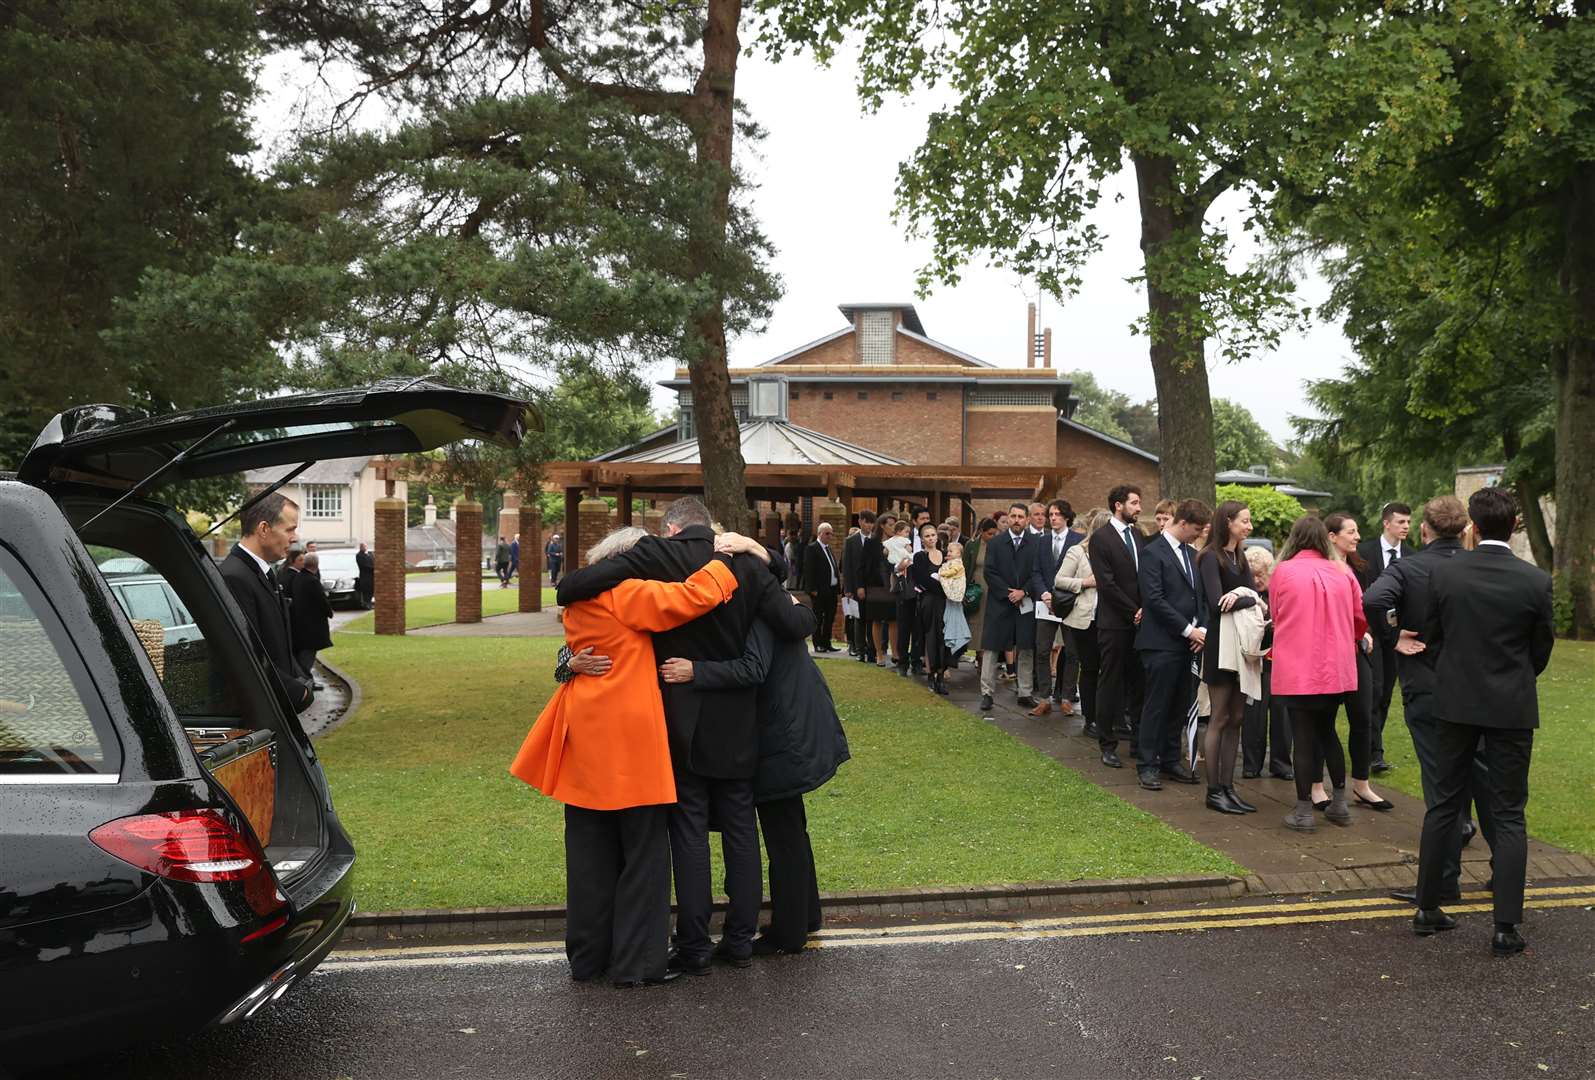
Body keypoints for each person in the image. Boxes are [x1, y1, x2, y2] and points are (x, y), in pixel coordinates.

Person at [554, 498, 816, 973]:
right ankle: (738, 939)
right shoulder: (743, 566)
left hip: (675, 716)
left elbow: (575, 590)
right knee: (740, 830)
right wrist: (762, 555)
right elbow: (795, 621)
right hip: (737, 719)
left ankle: (694, 944)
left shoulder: (655, 563)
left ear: (671, 528)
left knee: (689, 832)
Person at [512, 526, 743, 988]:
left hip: (584, 732)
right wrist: (728, 561)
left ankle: (588, 957)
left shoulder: (580, 599)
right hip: (628, 739)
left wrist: (568, 663)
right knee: (643, 853)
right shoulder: (627, 592)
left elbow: (575, 650)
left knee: (589, 855)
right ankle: (636, 963)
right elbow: (692, 598)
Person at [658, 579, 851, 956]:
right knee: (792, 826)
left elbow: (754, 668)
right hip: (795, 723)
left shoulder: (759, 610)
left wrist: (695, 670)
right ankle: (805, 916)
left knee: (783, 832)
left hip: (783, 733)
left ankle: (789, 933)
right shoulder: (780, 602)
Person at [1412, 487, 1554, 954]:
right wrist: (1511, 679)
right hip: (1510, 706)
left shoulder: (1447, 575)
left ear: (1472, 525)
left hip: (1454, 703)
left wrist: (1455, 675)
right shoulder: (1535, 580)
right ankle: (1505, 926)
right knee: (1509, 812)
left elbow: (1431, 636)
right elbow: (1541, 650)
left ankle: (1427, 907)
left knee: (1444, 805)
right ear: (1514, 525)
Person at [1363, 496, 1486, 906]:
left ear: (1425, 530)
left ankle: (1439, 886)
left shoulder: (1409, 567)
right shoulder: (1479, 566)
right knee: (1482, 781)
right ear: (1464, 529)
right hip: (1477, 689)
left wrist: (1392, 636)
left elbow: (1373, 600)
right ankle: (1493, 871)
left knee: (1440, 787)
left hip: (1429, 687)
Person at [1270, 514, 1367, 831]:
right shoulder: (1343, 571)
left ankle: (1302, 812)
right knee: (1328, 733)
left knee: (1303, 737)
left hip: (1299, 667)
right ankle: (1339, 804)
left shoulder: (1283, 571)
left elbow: (1276, 612)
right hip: (1335, 667)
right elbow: (1359, 618)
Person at [1133, 498, 1210, 791]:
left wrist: (1201, 627)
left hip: (1187, 645)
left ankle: (1169, 758)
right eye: (1197, 529)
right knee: (1157, 705)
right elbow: (1154, 599)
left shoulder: (1193, 555)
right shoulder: (1152, 553)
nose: (1199, 535)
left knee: (1179, 704)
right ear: (1183, 523)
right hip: (1160, 643)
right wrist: (1189, 630)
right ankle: (1147, 764)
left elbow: (1200, 596)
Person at [1196, 501, 1262, 815]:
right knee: (1219, 717)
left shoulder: (1240, 555)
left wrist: (1240, 595)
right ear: (1228, 521)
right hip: (1221, 644)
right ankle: (1213, 791)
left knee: (1237, 717)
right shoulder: (1210, 557)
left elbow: (1255, 598)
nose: (1249, 527)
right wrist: (1243, 597)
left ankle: (1228, 786)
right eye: (1245, 521)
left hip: (1242, 644)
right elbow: (1215, 603)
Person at [219, 493, 314, 713]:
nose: (295, 537)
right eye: (290, 529)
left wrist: (301, 678)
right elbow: (247, 656)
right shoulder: (235, 577)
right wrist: (298, 692)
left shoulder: (262, 574)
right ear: (263, 529)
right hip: (258, 714)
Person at [1325, 514, 1393, 812]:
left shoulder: (1358, 566)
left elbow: (1362, 605)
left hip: (1356, 649)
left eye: (1356, 532)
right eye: (1350, 532)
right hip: (1328, 652)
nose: (1356, 537)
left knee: (1363, 716)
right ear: (1331, 536)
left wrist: (1364, 631)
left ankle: (1362, 785)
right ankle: (1317, 786)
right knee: (1322, 720)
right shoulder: (1322, 568)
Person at [1087, 485, 1146, 769]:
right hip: (1114, 623)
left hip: (1140, 623)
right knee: (1110, 683)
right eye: (1134, 503)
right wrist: (1133, 610)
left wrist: (1144, 610)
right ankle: (1107, 743)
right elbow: (1106, 583)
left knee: (1139, 683)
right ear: (1118, 505)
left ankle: (1137, 740)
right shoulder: (1101, 539)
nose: (1139, 508)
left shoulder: (1138, 535)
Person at [1356, 501, 1413, 774]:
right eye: (1401, 522)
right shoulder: (1363, 552)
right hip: (1369, 632)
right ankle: (1372, 751)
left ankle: (1374, 748)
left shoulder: (1411, 556)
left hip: (1396, 634)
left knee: (1387, 691)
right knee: (1374, 689)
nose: (1406, 527)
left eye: (1408, 522)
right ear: (1386, 522)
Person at [1054, 508, 1108, 743]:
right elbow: (1059, 580)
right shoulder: (1078, 551)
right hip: (1083, 619)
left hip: (1110, 619)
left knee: (1108, 670)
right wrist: (1085, 582)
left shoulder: (1115, 553)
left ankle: (1108, 716)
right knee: (1089, 668)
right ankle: (1090, 718)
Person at [978, 503, 1038, 712]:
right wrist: (1008, 592)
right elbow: (989, 572)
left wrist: (1024, 591)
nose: (1016, 520)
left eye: (1021, 516)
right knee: (992, 648)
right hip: (1000, 602)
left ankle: (1025, 692)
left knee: (1026, 647)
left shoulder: (1035, 543)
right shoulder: (995, 543)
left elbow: (1037, 573)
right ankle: (986, 693)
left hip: (1025, 602)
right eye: (1012, 516)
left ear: (1027, 519)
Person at [1240, 546, 1293, 781]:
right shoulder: (1245, 597)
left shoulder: (1280, 592)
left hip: (1280, 661)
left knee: (1282, 715)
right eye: (1252, 575)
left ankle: (1281, 763)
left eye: (1261, 574)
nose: (1257, 580)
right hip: (1254, 662)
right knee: (1253, 716)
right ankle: (1251, 764)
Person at [1029, 499, 1082, 717]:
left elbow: (1080, 571)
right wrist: (1045, 594)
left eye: (1057, 514)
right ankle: (1044, 698)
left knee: (1072, 651)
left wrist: (1062, 597)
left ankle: (1067, 697)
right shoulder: (1042, 541)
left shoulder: (1079, 540)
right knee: (1042, 650)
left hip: (1069, 603)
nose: (1052, 518)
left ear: (1067, 516)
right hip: (1045, 603)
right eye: (1050, 514)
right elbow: (1035, 572)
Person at [910, 524, 950, 695]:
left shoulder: (946, 555)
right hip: (929, 602)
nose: (931, 538)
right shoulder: (919, 557)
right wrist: (944, 589)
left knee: (945, 638)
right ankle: (932, 674)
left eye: (933, 535)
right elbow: (922, 580)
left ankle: (941, 674)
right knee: (931, 637)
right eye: (927, 536)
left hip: (946, 602)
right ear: (922, 539)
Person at [289, 551, 334, 682]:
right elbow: (322, 601)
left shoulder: (298, 578)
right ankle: (305, 681)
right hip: (312, 626)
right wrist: (329, 612)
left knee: (304, 654)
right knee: (307, 656)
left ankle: (305, 679)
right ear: (317, 564)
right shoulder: (312, 581)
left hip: (300, 623)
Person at [962, 517, 999, 675]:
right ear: (982, 532)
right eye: (990, 534)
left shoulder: (997, 545)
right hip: (976, 586)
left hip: (992, 586)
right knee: (976, 620)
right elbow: (965, 566)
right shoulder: (972, 545)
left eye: (994, 534)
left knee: (989, 621)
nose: (992, 536)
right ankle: (977, 653)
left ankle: (985, 656)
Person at [862, 514, 896, 666]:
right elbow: (863, 565)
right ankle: (879, 653)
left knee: (894, 620)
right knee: (877, 620)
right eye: (890, 525)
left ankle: (895, 652)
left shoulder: (896, 543)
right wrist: (860, 586)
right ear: (882, 525)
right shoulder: (871, 543)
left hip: (893, 585)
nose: (893, 528)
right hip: (875, 585)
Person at [802, 522, 841, 653]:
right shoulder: (812, 548)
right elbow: (808, 570)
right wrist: (812, 589)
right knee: (818, 617)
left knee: (830, 617)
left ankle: (826, 642)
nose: (830, 536)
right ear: (820, 533)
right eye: (827, 533)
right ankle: (817, 643)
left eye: (831, 533)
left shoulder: (828, 548)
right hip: (818, 591)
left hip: (831, 590)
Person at [843, 510, 875, 660]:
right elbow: (847, 566)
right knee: (859, 619)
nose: (869, 525)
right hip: (856, 586)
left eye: (871, 522)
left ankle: (872, 651)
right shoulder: (850, 541)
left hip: (873, 587)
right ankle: (860, 651)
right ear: (860, 522)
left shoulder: (876, 540)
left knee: (872, 620)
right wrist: (848, 589)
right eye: (867, 522)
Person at [941, 539, 972, 665]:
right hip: (949, 598)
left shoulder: (957, 564)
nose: (948, 552)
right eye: (947, 550)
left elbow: (952, 573)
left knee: (953, 619)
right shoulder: (950, 562)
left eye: (951, 551)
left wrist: (941, 573)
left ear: (959, 554)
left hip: (954, 598)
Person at [355, 541, 375, 610]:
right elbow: (364, 565)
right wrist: (374, 568)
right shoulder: (359, 555)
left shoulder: (370, 554)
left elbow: (374, 561)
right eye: (363, 546)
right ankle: (366, 604)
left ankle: (369, 603)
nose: (364, 548)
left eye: (365, 546)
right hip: (365, 577)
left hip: (372, 576)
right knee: (366, 591)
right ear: (360, 547)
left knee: (371, 590)